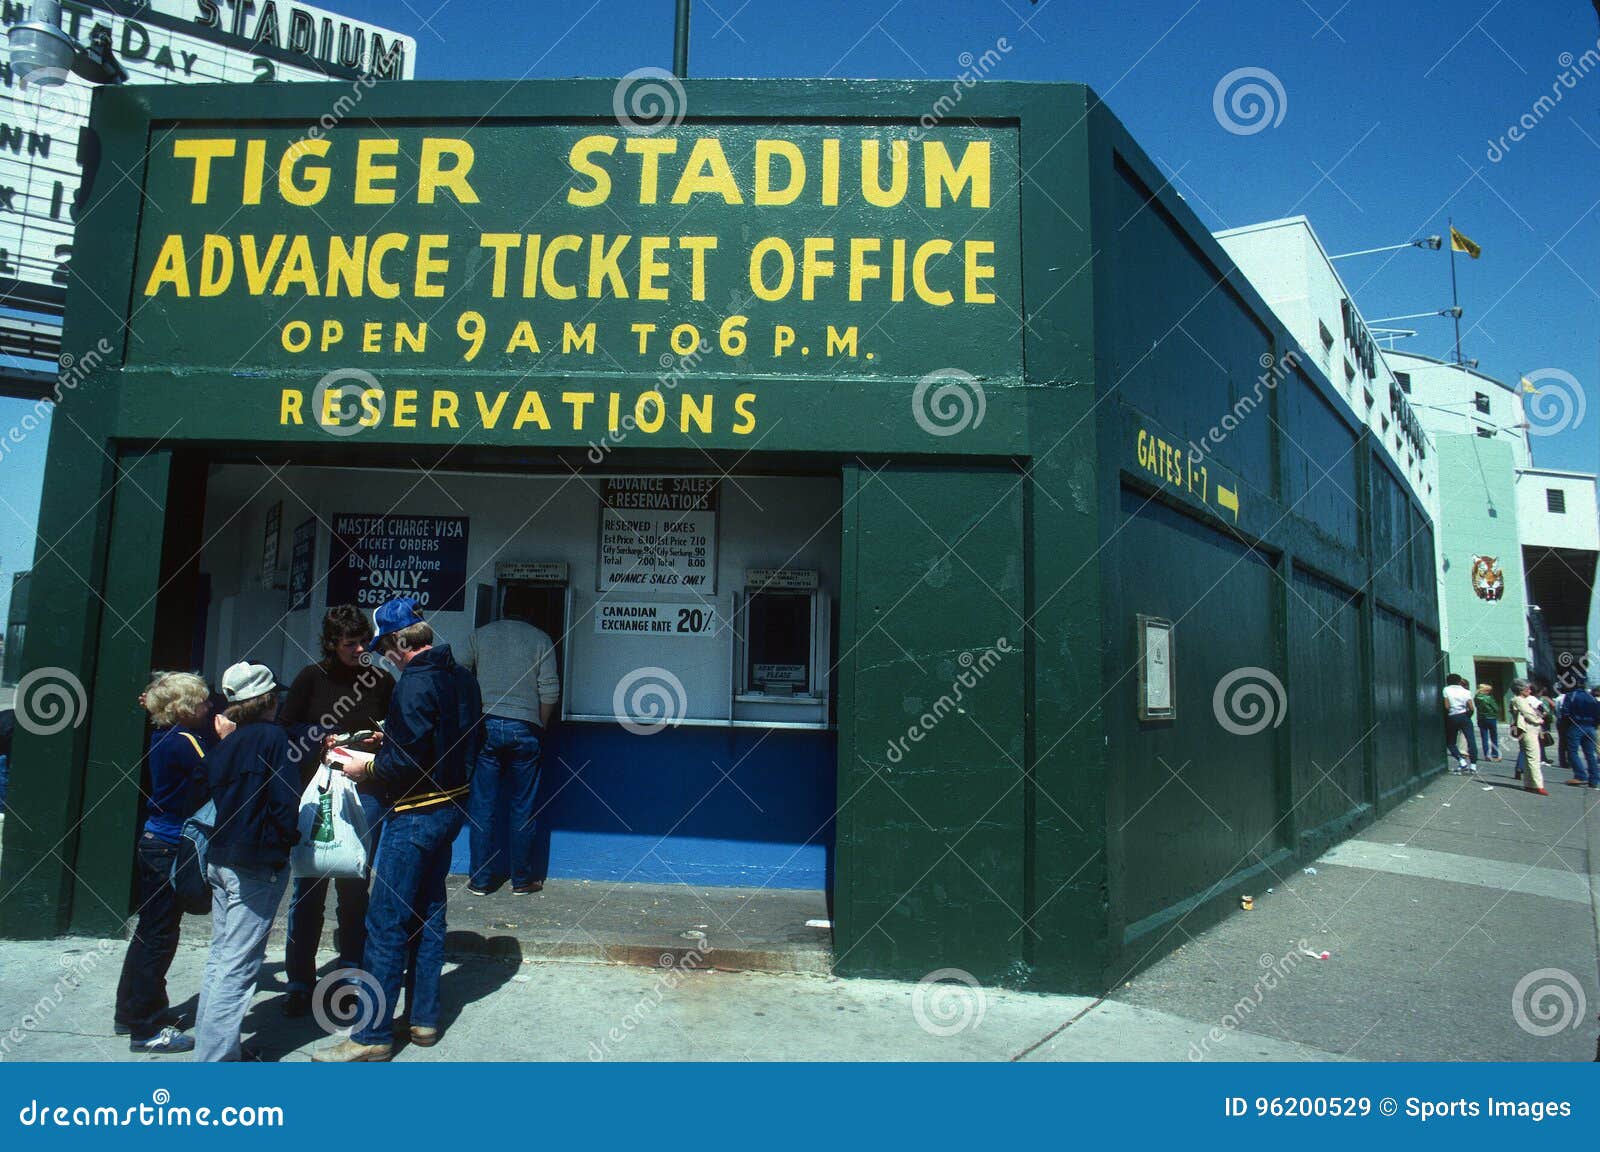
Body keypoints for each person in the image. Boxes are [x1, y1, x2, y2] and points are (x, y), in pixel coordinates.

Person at [314, 599, 482, 1062]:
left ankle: (372, 1036)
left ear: (397, 644)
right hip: (451, 808)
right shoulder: (462, 676)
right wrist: (397, 740)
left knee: (385, 921)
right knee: (428, 913)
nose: (382, 656)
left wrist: (366, 765)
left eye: (383, 648)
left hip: (413, 813)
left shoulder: (413, 684)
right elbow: (459, 741)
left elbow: (402, 765)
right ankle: (424, 1020)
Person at [278, 605, 395, 1018]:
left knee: (354, 886)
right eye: (351, 644)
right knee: (308, 888)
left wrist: (383, 740)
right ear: (331, 643)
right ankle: (299, 980)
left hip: (367, 790)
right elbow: (284, 728)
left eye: (364, 641)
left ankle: (351, 971)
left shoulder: (380, 678)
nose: (361, 650)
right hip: (318, 790)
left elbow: (399, 727)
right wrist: (318, 738)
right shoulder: (311, 679)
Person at [194, 662, 302, 1062]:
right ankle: (215, 1063)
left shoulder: (225, 745)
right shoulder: (273, 738)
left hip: (221, 856)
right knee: (238, 968)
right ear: (269, 700)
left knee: (222, 958)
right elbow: (284, 801)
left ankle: (218, 1051)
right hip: (256, 861)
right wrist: (288, 840)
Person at [113, 672, 212, 1054]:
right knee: (159, 937)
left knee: (148, 932)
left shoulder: (163, 736)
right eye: (203, 702)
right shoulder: (187, 742)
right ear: (186, 709)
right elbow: (217, 770)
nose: (209, 707)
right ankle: (146, 1026)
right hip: (170, 847)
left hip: (154, 842)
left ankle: (130, 1010)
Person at [461, 613, 561, 896]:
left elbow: (457, 672)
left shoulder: (480, 635)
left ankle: (480, 881)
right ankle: (522, 880)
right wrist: (539, 725)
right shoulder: (541, 638)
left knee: (483, 805)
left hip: (486, 724)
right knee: (523, 807)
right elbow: (549, 690)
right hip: (525, 727)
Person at [1508, 679, 1547, 796]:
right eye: (1527, 688)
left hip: (1525, 730)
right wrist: (1539, 720)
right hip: (1528, 729)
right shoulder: (1519, 700)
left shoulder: (1518, 699)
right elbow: (1528, 713)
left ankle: (1529, 784)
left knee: (1528, 757)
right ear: (1520, 689)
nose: (1529, 690)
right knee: (1534, 758)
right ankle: (1538, 785)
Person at [1564, 683, 1600, 790]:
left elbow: (1565, 713)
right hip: (1590, 727)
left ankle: (1580, 775)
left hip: (1577, 725)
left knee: (1572, 751)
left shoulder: (1571, 695)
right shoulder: (1591, 697)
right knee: (1590, 754)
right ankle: (1594, 779)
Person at [1442, 674, 1477, 773]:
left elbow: (1447, 706)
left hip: (1452, 716)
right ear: (1459, 681)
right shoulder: (1466, 691)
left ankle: (1462, 761)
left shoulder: (1446, 690)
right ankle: (1473, 766)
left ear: (1448, 681)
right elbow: (1471, 707)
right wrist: (1467, 716)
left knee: (1450, 742)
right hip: (1465, 716)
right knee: (1471, 741)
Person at [1473, 682, 1501, 762]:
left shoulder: (1476, 698)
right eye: (1488, 691)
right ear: (1485, 691)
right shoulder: (1488, 698)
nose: (1489, 692)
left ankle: (1486, 754)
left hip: (1481, 718)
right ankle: (1494, 754)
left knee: (1484, 737)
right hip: (1491, 718)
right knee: (1493, 736)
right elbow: (1496, 708)